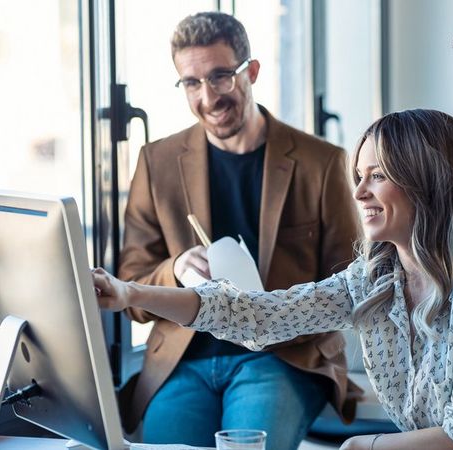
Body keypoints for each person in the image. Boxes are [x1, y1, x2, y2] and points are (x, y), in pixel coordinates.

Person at [96, 109, 453, 450]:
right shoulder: (374, 280)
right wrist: (129, 292)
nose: (358, 192)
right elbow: (257, 316)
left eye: (377, 176)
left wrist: (362, 446)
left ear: (426, 181)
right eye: (359, 176)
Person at [116, 11, 360, 449]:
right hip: (182, 358)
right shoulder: (157, 162)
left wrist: (276, 318)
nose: (208, 97)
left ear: (251, 72)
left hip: (281, 356)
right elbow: (131, 284)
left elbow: (350, 284)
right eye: (191, 83)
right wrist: (174, 269)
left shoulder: (321, 163)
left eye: (221, 77)